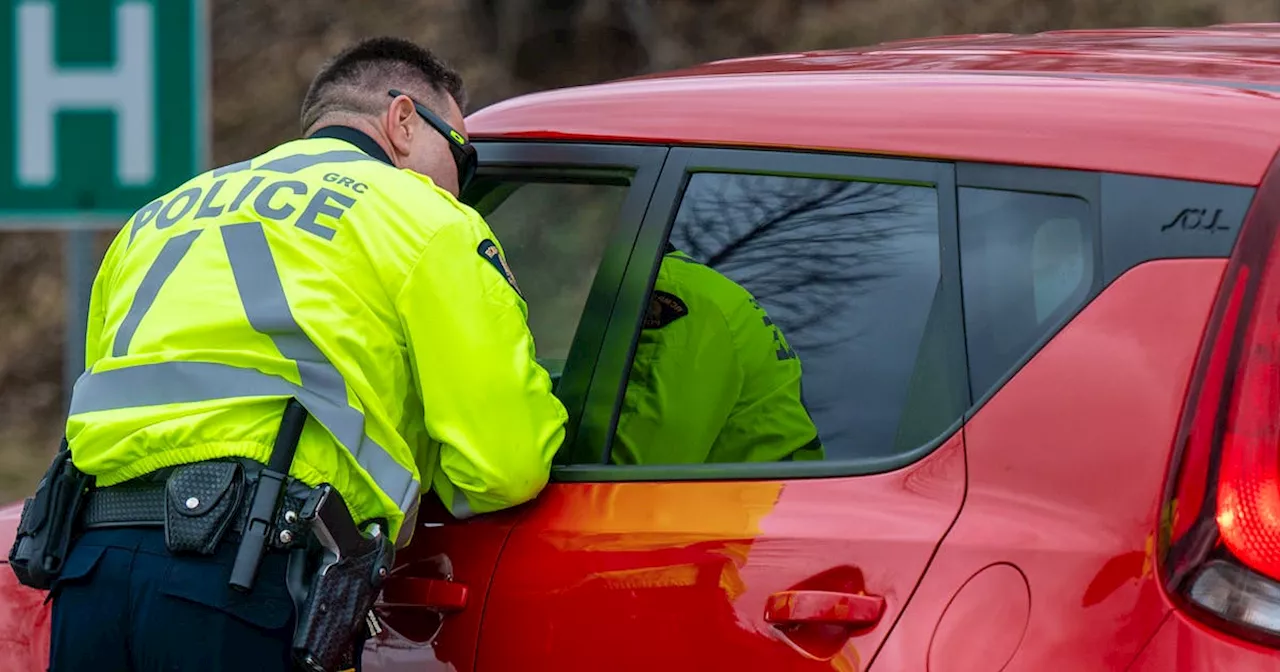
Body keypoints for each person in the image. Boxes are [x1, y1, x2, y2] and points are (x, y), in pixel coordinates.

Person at [47, 37, 567, 671]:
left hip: (90, 572)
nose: (462, 182)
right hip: (240, 577)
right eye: (463, 154)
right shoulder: (425, 219)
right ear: (403, 120)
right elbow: (506, 465)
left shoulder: (156, 217)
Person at [612, 244, 823, 465]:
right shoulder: (686, 285)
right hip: (775, 494)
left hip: (755, 497)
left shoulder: (667, 291)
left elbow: (635, 468)